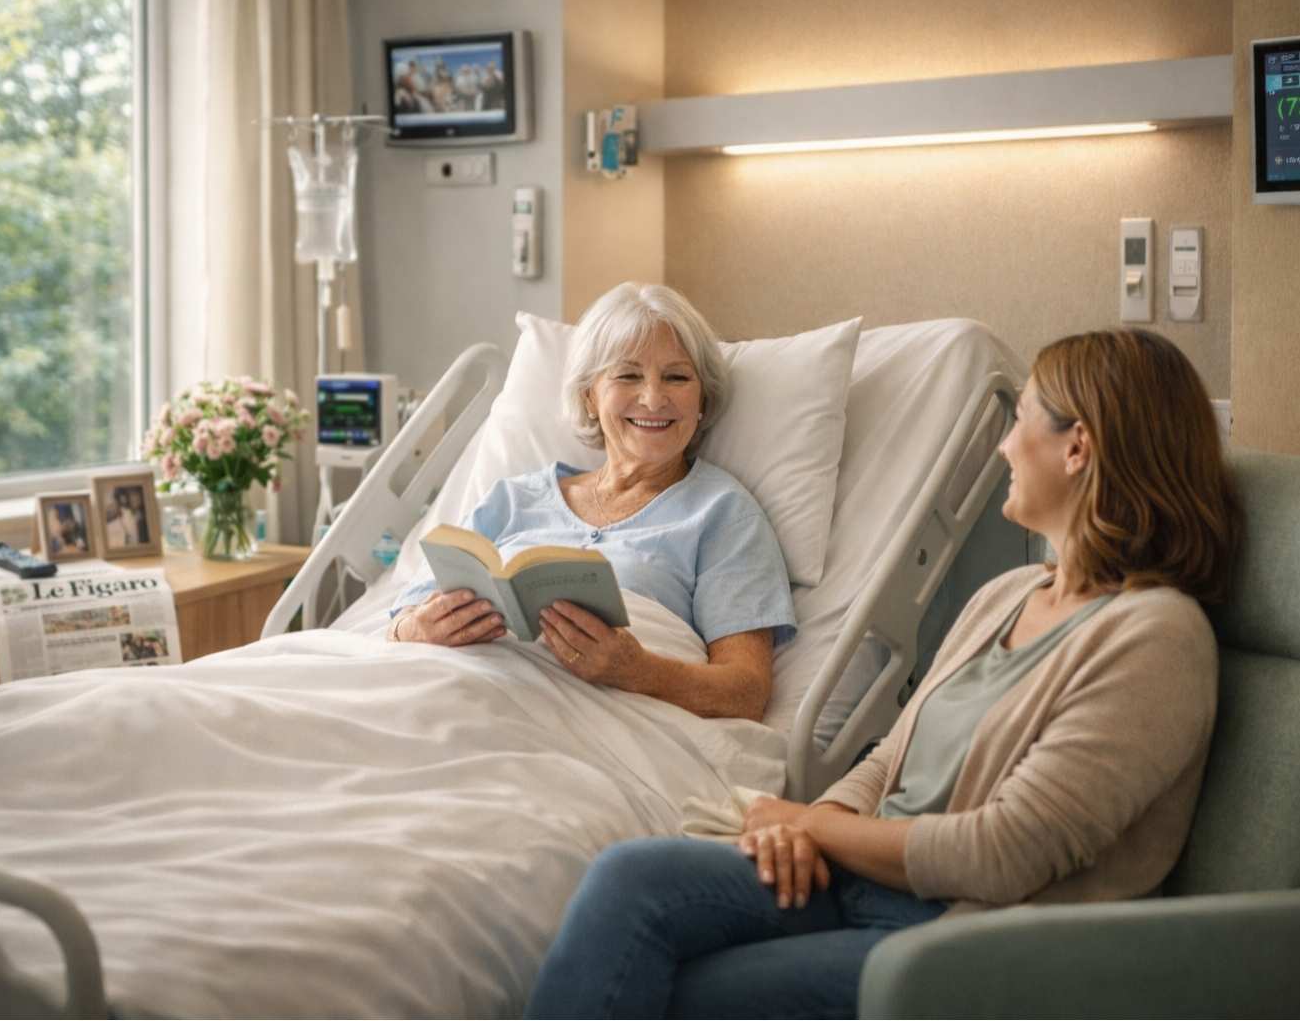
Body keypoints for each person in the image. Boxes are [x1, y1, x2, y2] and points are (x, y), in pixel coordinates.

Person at [525, 327, 1243, 1018]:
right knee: (628, 879)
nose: (1004, 445)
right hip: (860, 880)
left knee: (686, 993)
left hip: (967, 937)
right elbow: (889, 758)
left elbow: (1002, 856)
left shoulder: (1155, 638)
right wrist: (820, 826)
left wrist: (810, 824)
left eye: (1021, 419)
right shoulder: (1011, 595)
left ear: (1076, 448)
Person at [386, 282, 796, 722]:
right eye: (628, 376)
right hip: (453, 690)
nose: (653, 398)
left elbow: (746, 692)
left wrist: (639, 671)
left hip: (577, 723)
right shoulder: (514, 499)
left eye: (676, 377)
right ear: (590, 396)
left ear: (702, 400)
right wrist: (416, 629)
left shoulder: (723, 515)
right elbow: (401, 620)